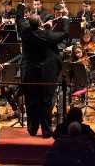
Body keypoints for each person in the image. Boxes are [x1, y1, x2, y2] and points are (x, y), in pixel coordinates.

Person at [19, 9, 68, 137]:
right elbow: (65, 33)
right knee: (46, 102)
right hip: (45, 74)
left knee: (31, 101)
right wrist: (65, 17)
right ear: (40, 22)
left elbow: (19, 20)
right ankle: (46, 131)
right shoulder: (47, 35)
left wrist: (21, 5)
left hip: (30, 73)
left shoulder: (25, 33)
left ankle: (32, 129)